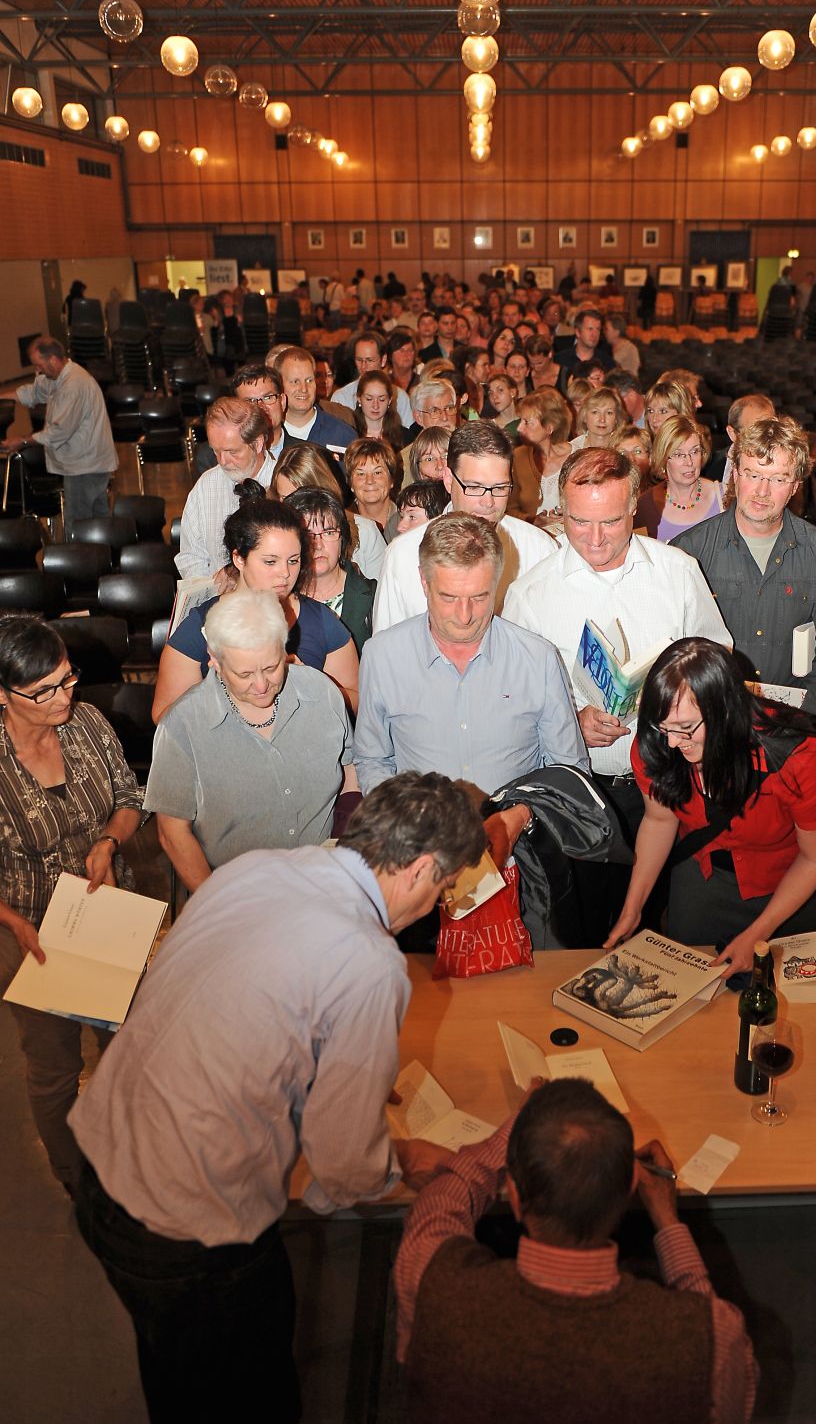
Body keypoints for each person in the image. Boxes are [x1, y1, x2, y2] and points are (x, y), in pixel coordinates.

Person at [70, 773, 486, 1424]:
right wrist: (401, 1157)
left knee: (175, 1371)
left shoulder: (255, 868)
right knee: (246, 1395)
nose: (439, 903)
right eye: (445, 886)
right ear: (422, 868)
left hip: (103, 1156)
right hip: (191, 1225)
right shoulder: (370, 961)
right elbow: (344, 1163)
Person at [395, 1079, 757, 1424]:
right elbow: (735, 1399)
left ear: (516, 1198)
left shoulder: (432, 1278)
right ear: (631, 1186)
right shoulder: (712, 1338)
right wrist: (667, 1222)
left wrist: (508, 1137)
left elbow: (439, 1207)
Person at [504, 448, 730, 936]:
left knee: (653, 925)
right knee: (580, 928)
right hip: (578, 791)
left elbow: (718, 658)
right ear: (561, 511)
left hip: (668, 782)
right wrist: (570, 718)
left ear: (634, 508)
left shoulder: (678, 572)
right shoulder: (530, 594)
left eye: (610, 521)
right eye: (579, 523)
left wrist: (681, 700)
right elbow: (512, 700)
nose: (595, 539)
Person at [0, 618, 144, 1191]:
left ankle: (133, 1156)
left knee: (130, 1046)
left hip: (103, 917)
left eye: (67, 680)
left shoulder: (86, 723)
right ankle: (75, 1180)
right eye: (44, 692)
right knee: (56, 1070)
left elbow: (132, 798)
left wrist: (109, 842)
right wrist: (10, 920)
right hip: (29, 934)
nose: (64, 697)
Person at [607, 638, 816, 967]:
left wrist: (758, 933)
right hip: (704, 878)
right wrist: (634, 907)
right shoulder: (657, 743)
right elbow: (660, 821)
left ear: (726, 709)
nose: (673, 743)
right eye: (664, 728)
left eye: (686, 728)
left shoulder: (801, 758)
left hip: (789, 886)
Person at [356, 513, 586, 803]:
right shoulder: (382, 657)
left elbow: (568, 770)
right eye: (449, 597)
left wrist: (524, 816)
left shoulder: (538, 659)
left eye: (479, 597)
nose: (464, 616)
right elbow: (372, 760)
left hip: (519, 839)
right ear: (424, 583)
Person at [146, 591, 355, 892]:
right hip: (239, 893)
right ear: (214, 660)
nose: (260, 685)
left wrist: (345, 841)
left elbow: (350, 769)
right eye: (244, 673)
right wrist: (216, 903)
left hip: (326, 882)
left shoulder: (321, 693)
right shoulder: (183, 726)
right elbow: (172, 832)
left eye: (271, 668)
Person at [679, 416, 816, 723]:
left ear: (795, 486)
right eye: (753, 474)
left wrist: (805, 722)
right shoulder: (688, 551)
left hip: (794, 722)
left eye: (777, 478)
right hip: (712, 720)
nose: (762, 490)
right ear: (734, 474)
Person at [154, 487, 358, 721]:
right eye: (270, 562)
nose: (285, 573)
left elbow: (356, 700)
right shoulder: (200, 625)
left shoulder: (321, 621)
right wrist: (226, 689)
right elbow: (163, 717)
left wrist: (309, 684)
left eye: (293, 560)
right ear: (239, 558)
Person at [373, 422, 556, 631]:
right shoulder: (403, 555)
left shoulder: (540, 550)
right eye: (475, 487)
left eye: (500, 488)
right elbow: (387, 649)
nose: (488, 502)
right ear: (449, 480)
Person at [3, 337, 117, 534]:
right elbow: (34, 393)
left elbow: (58, 432)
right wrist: (3, 396)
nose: (37, 371)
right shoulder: (58, 377)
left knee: (79, 526)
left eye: (39, 365)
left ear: (53, 360)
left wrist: (21, 441)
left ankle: (82, 562)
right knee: (99, 522)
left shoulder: (74, 385)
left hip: (85, 467)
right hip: (86, 463)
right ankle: (106, 559)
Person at [175, 397, 276, 585]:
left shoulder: (283, 484)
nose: (222, 461)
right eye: (215, 451)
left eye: (232, 452)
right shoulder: (206, 486)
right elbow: (191, 556)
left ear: (258, 443)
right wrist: (212, 588)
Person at [272, 442, 387, 584]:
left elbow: (383, 594)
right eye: (285, 499)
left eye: (303, 497)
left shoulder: (365, 532)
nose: (295, 507)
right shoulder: (271, 540)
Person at [287, 487, 376, 654]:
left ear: (342, 538)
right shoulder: (278, 598)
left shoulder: (374, 596)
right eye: (308, 535)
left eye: (328, 532)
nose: (318, 545)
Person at [635, 415, 725, 539]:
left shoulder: (723, 496)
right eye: (678, 454)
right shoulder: (643, 507)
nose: (689, 462)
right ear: (663, 457)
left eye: (694, 452)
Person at [512, 388, 574, 523]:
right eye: (520, 421)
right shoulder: (518, 457)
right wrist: (533, 521)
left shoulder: (578, 459)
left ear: (549, 427)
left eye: (527, 422)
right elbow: (509, 509)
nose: (519, 428)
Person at [279, 345, 356, 447]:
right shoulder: (269, 437)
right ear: (279, 385)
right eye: (295, 382)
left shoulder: (343, 435)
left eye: (309, 380)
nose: (304, 389)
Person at [344, 436, 400, 539]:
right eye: (361, 474)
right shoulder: (342, 526)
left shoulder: (409, 521)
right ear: (351, 483)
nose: (369, 480)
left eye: (377, 472)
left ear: (391, 480)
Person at [352, 369, 409, 451]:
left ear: (389, 400)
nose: (375, 406)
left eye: (381, 399)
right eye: (369, 399)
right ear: (359, 398)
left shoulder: (404, 436)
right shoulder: (349, 433)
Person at [571, 386, 625, 451]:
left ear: (616, 418)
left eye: (609, 413)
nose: (602, 419)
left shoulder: (624, 449)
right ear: (584, 416)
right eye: (595, 412)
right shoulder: (572, 450)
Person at [613, 424, 652, 490]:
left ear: (650, 458)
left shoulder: (660, 495)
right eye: (622, 453)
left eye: (637, 451)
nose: (631, 459)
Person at [603, 313, 641, 377]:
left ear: (616, 332)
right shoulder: (606, 347)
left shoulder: (630, 349)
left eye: (606, 329)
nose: (604, 332)